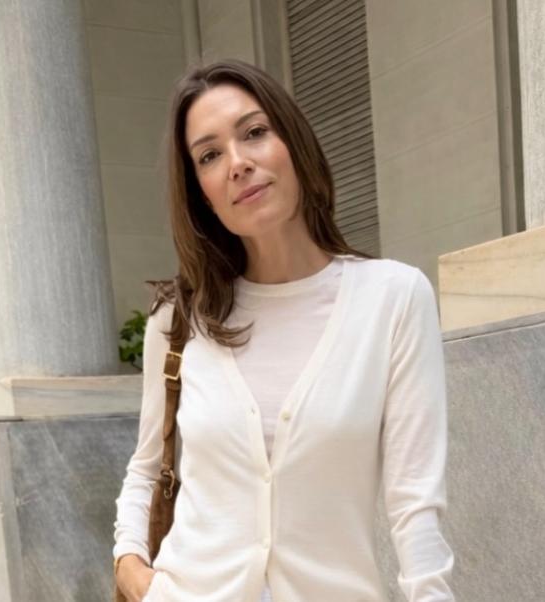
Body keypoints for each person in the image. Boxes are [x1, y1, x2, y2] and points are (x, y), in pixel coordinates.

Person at [111, 59, 454, 602]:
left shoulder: (393, 298)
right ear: (202, 193)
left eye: (254, 133)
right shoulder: (179, 320)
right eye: (209, 156)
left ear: (292, 143)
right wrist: (130, 565)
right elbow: (148, 466)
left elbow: (414, 502)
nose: (238, 164)